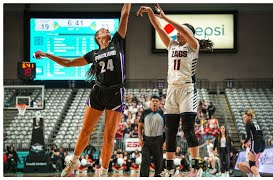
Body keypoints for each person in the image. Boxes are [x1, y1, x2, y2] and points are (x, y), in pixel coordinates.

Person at [34, 3, 131, 177]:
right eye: (102, 30)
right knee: (85, 131)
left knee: (109, 137)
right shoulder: (93, 54)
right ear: (98, 37)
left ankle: (103, 171)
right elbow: (68, 63)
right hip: (98, 92)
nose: (105, 30)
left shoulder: (117, 41)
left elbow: (124, 14)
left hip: (116, 92)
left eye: (106, 29)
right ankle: (73, 161)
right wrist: (47, 54)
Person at [136, 4, 213, 177]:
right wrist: (151, 13)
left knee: (187, 128)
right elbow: (157, 28)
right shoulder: (172, 45)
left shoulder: (193, 46)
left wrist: (164, 17)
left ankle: (196, 166)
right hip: (171, 90)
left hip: (187, 89)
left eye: (181, 32)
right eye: (177, 32)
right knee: (169, 131)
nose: (177, 33)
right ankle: (169, 168)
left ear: (189, 34)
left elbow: (181, 29)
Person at [138, 95, 166, 177]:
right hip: (146, 140)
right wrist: (140, 139)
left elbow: (167, 129)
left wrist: (166, 142)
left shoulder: (163, 114)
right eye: (153, 101)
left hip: (159, 140)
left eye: (156, 101)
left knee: (159, 162)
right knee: (145, 161)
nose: (154, 102)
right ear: (150, 103)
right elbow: (140, 126)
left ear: (159, 103)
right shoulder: (145, 112)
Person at [242, 109, 265, 177]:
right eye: (243, 117)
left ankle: (258, 177)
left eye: (245, 117)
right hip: (262, 143)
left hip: (256, 143)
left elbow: (249, 136)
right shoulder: (255, 123)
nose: (244, 119)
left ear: (249, 117)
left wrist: (244, 143)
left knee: (251, 163)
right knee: (255, 161)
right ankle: (255, 176)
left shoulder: (248, 123)